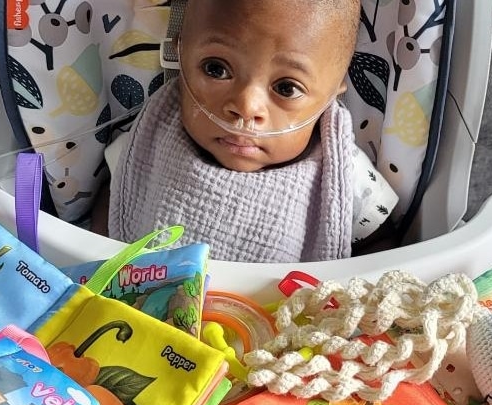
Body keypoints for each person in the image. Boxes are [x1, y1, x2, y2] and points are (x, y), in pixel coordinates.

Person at [92, 0, 398, 263]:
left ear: (333, 94)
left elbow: (380, 247)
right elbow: (116, 204)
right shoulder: (148, 141)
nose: (246, 106)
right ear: (180, 56)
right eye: (216, 69)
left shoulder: (343, 174)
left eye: (286, 87)